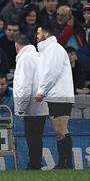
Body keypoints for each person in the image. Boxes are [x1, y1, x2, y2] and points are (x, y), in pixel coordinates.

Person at [35, 25, 75, 169]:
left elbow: (51, 72)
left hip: (60, 94)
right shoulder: (47, 50)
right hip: (55, 95)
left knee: (61, 129)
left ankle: (66, 163)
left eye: (38, 33)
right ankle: (63, 163)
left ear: (46, 33)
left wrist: (41, 91)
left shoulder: (54, 49)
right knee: (59, 131)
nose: (37, 35)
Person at [14, 34, 49, 170]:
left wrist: (20, 107)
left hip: (31, 106)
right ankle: (35, 163)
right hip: (42, 105)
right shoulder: (38, 56)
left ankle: (34, 164)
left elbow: (24, 86)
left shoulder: (25, 59)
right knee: (37, 137)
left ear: (17, 46)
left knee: (32, 137)